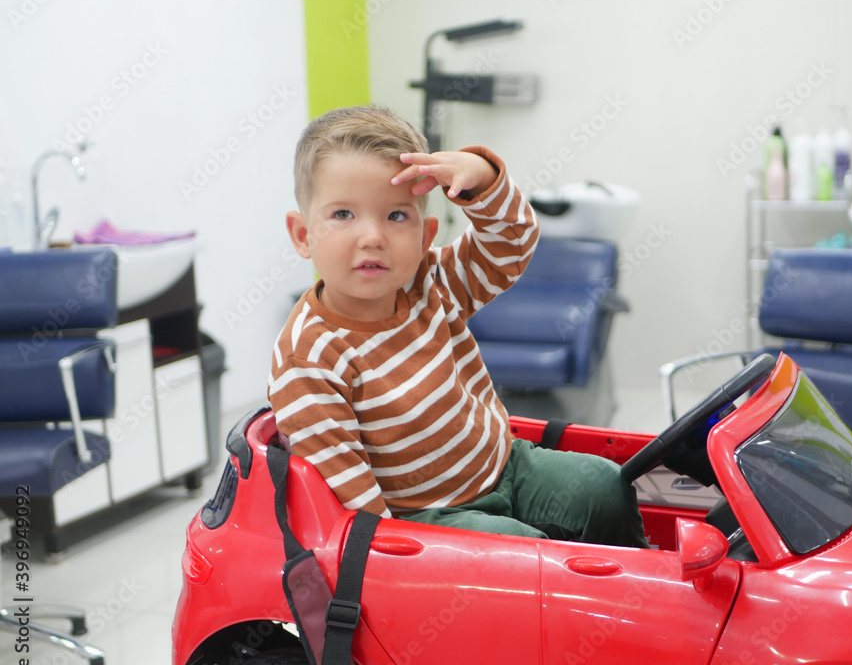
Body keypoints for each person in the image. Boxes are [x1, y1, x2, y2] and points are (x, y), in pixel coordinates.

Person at [268, 105, 647, 547]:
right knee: (516, 551)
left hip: (506, 466)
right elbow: (354, 508)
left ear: (425, 235)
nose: (371, 236)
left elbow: (510, 245)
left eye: (396, 216)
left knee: (604, 485)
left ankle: (628, 600)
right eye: (343, 214)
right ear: (301, 235)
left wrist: (484, 177)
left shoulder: (431, 282)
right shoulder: (308, 357)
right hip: (426, 518)